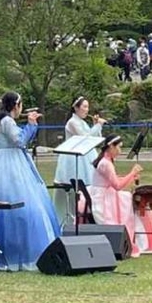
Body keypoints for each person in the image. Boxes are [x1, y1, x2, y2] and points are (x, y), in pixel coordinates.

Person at [0, 92, 61, 271]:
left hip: (5, 162)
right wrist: (31, 125)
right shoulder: (7, 121)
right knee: (22, 206)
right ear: (16, 105)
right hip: (9, 165)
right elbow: (19, 140)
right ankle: (18, 252)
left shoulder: (5, 121)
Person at [87, 135, 152, 255]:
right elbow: (117, 185)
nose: (120, 152)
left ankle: (146, 236)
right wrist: (132, 173)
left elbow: (113, 180)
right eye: (119, 148)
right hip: (104, 199)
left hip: (104, 194)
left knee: (130, 199)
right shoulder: (105, 163)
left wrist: (130, 176)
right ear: (111, 146)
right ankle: (144, 238)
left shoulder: (105, 161)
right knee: (131, 202)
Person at [52, 96, 105, 226]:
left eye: (88, 107)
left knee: (88, 187)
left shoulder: (83, 122)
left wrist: (96, 125)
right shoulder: (72, 122)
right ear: (76, 108)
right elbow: (85, 137)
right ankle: (70, 218)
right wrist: (97, 125)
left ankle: (87, 216)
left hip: (86, 156)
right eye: (84, 107)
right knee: (73, 189)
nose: (87, 110)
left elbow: (95, 139)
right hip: (73, 157)